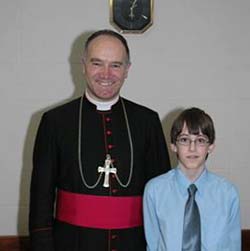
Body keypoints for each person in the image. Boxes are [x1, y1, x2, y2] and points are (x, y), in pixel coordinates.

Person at [29, 29, 171, 251]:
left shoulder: (148, 121)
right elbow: (41, 198)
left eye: (116, 65)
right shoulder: (55, 122)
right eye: (97, 63)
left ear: (127, 70)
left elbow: (163, 195)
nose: (106, 74)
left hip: (135, 243)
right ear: (84, 65)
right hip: (72, 243)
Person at [143, 107, 241, 251]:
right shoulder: (155, 190)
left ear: (211, 146)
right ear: (173, 146)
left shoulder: (227, 194)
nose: (192, 148)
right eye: (184, 140)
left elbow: (232, 246)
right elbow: (152, 244)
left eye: (201, 140)